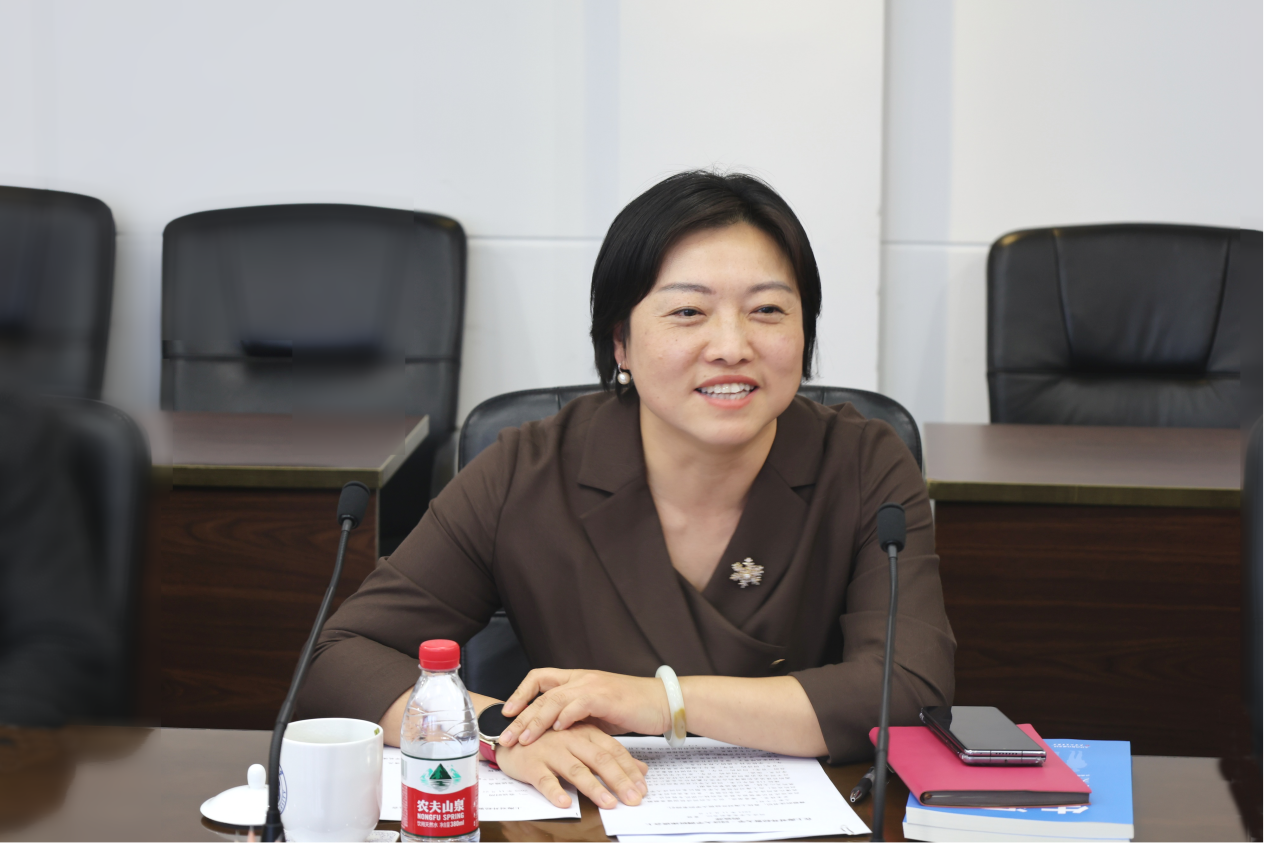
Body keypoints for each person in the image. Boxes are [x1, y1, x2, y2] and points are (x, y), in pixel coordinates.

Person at [299, 171, 955, 810]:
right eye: (688, 312)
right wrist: (503, 730)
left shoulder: (863, 462)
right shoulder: (527, 470)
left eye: (767, 310)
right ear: (621, 341)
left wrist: (661, 702)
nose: (731, 346)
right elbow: (337, 661)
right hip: (591, 814)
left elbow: (909, 693)